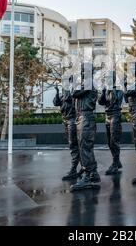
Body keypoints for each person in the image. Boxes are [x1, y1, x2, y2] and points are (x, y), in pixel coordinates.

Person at [70, 63, 101, 192]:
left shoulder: (88, 82)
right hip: (83, 117)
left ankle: (88, 177)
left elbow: (74, 93)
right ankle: (92, 174)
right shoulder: (87, 82)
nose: (81, 72)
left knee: (85, 148)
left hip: (86, 117)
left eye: (83, 70)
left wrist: (71, 82)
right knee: (85, 147)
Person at [53, 76, 82, 180]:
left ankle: (74, 168)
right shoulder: (63, 95)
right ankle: (80, 167)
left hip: (72, 121)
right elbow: (56, 102)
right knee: (73, 145)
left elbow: (70, 97)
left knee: (73, 145)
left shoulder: (72, 94)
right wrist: (56, 91)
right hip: (65, 121)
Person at [99, 71, 124, 175]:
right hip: (107, 116)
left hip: (115, 115)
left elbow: (114, 100)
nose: (106, 80)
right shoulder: (106, 89)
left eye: (108, 78)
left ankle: (115, 163)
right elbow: (101, 102)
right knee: (109, 142)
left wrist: (110, 89)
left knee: (114, 141)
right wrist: (103, 92)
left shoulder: (118, 89)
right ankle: (117, 161)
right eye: (105, 78)